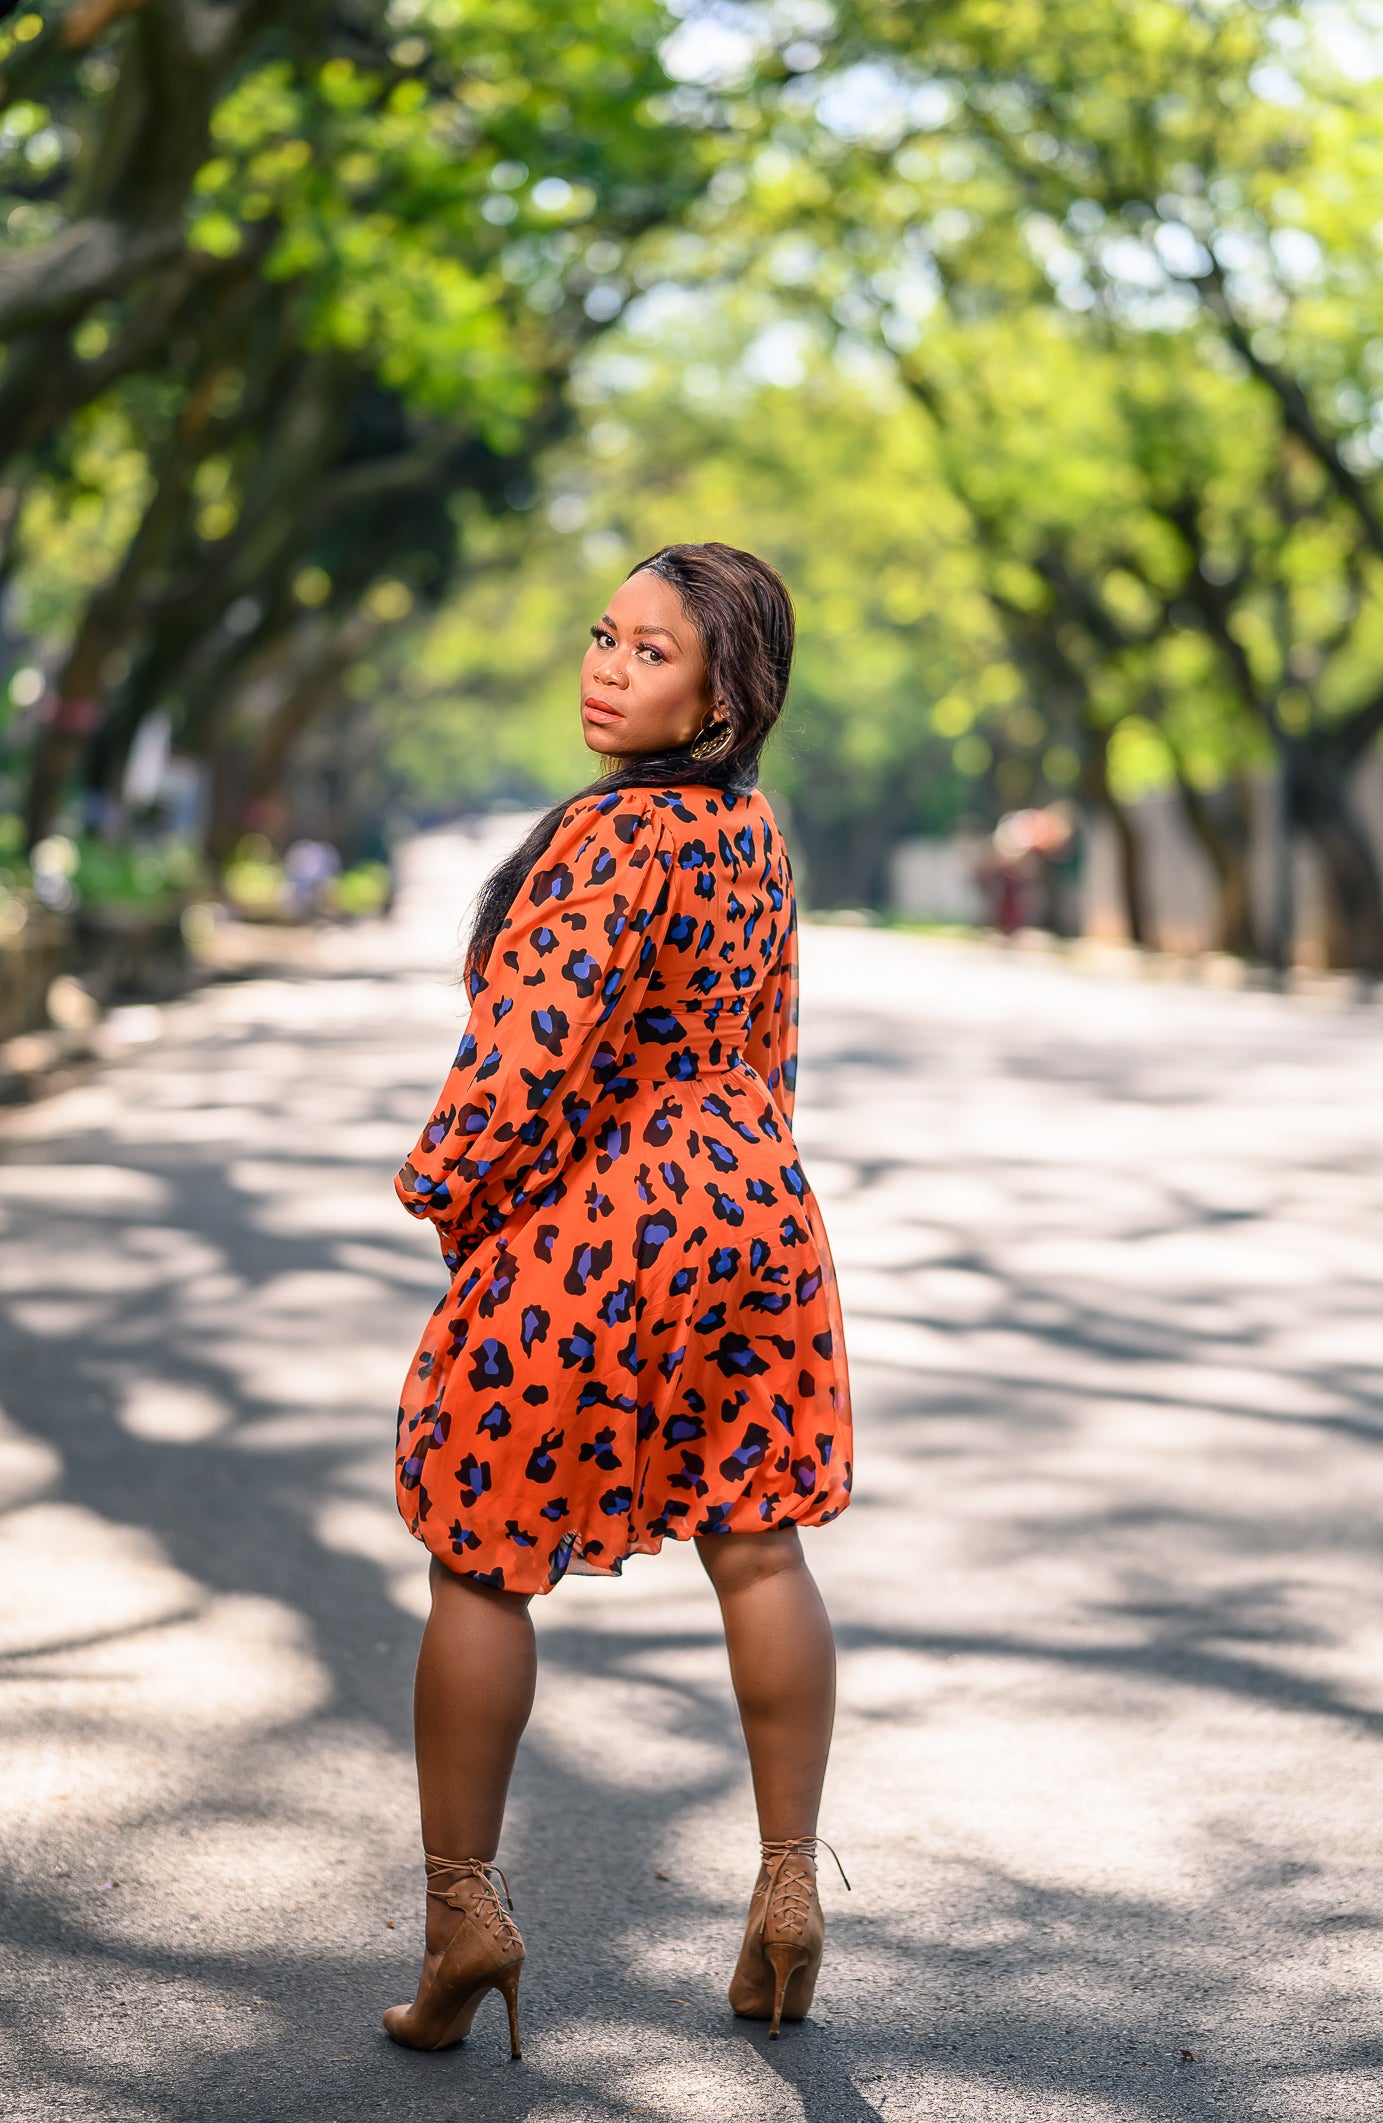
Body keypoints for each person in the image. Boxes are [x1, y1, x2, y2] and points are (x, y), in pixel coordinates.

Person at [382, 543, 853, 2059]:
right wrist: (744, 1175)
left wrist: (448, 1191)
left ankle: (464, 1917)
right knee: (757, 1548)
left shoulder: (611, 846)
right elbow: (769, 1046)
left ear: (724, 697)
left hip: (599, 1226)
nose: (605, 666)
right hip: (755, 1208)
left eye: (649, 652)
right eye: (603, 636)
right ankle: (787, 1891)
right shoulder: (750, 834)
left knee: (481, 1560)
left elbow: (525, 1056)